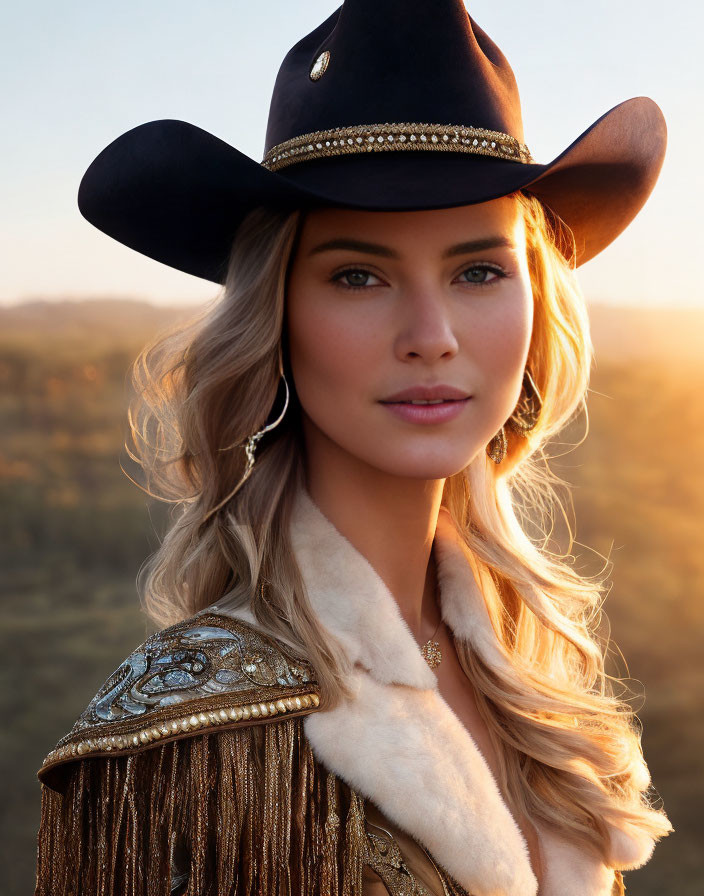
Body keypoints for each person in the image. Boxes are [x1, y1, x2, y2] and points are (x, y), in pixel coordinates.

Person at [34, 2, 673, 894]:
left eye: (479, 270)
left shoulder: (534, 679)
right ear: (276, 319)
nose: (431, 334)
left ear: (538, 308)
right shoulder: (192, 738)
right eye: (358, 275)